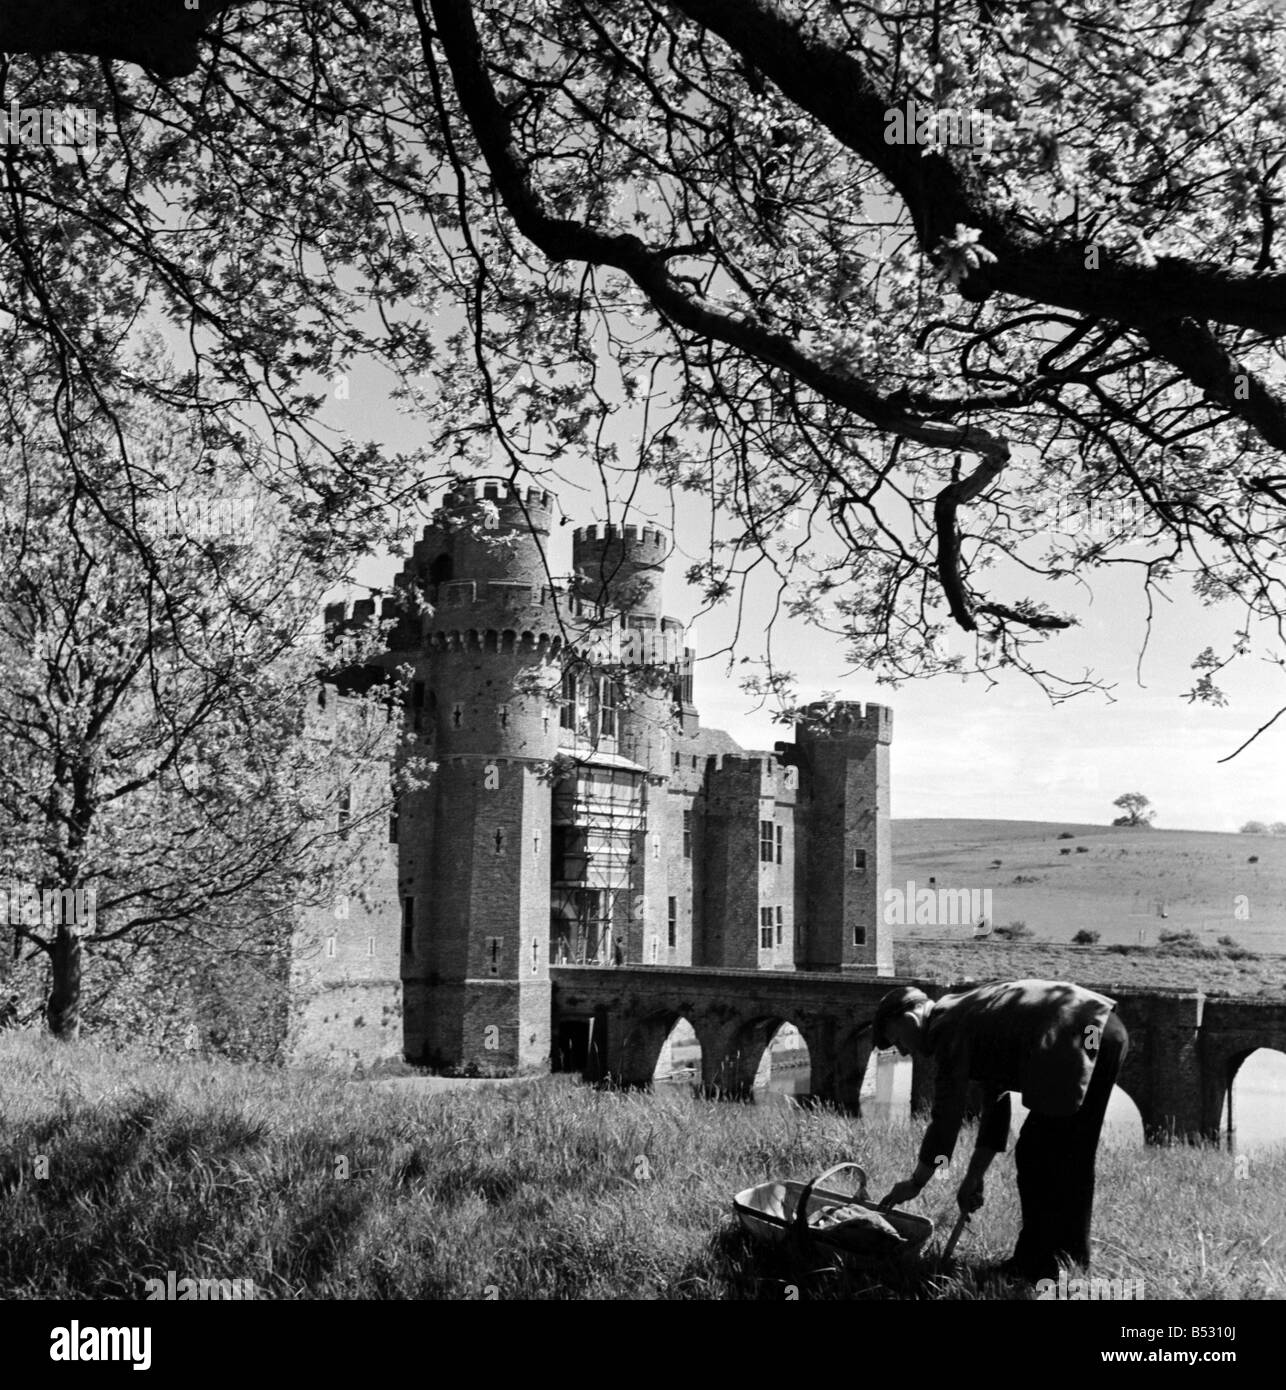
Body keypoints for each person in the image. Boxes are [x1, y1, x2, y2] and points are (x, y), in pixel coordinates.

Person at [868, 978, 1129, 1283]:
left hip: (1081, 1033)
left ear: (911, 1019)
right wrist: (974, 1176)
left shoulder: (945, 1026)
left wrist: (916, 1182)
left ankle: (1034, 1264)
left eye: (897, 1040)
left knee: (1036, 1152)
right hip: (1106, 1033)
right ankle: (1072, 1259)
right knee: (1073, 1151)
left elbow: (947, 1117)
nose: (902, 1050)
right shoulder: (971, 1014)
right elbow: (997, 1103)